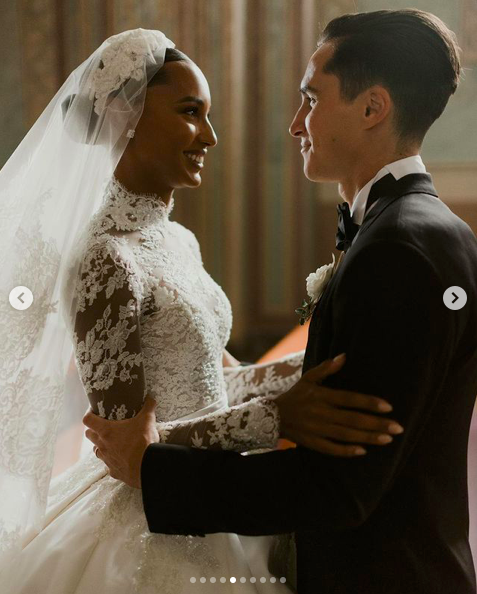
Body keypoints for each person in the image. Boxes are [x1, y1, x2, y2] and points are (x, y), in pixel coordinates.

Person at [86, 10, 477, 594]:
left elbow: (338, 489)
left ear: (372, 108)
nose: (295, 125)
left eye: (311, 100)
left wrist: (153, 466)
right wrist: (283, 393)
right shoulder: (421, 229)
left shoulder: (398, 246)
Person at [0, 28, 399, 594]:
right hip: (149, 521)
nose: (210, 136)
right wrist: (276, 418)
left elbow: (215, 379)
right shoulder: (103, 258)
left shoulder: (179, 240)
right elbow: (125, 449)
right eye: (191, 112)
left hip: (205, 495)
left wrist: (323, 365)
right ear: (124, 118)